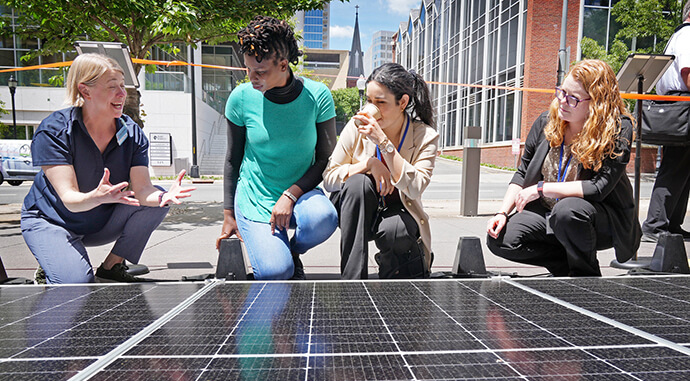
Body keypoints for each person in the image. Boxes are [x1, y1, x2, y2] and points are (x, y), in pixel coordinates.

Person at [21, 53, 194, 284]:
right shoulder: (54, 131)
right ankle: (52, 262)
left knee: (156, 203)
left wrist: (164, 196)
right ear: (85, 91)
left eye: (123, 86)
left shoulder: (132, 133)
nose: (122, 94)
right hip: (53, 220)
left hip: (99, 220)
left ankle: (112, 266)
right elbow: (70, 199)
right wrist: (97, 196)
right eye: (113, 87)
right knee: (76, 283)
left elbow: (143, 191)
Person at [486, 59, 640, 277]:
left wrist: (542, 188)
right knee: (500, 239)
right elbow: (522, 172)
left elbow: (599, 187)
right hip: (549, 214)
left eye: (573, 98)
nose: (563, 102)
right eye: (561, 92)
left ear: (597, 103)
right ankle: (566, 267)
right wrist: (502, 212)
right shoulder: (546, 122)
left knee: (567, 211)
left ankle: (585, 276)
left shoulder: (618, 129)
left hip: (596, 218)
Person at [216, 16, 338, 280]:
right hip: (256, 199)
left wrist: (291, 195)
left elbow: (326, 159)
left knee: (324, 218)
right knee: (276, 272)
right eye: (248, 70)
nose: (252, 78)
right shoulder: (240, 98)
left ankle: (292, 251)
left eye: (260, 72)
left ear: (283, 65)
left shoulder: (318, 96)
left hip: (300, 195)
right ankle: (281, 259)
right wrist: (228, 214)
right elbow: (232, 160)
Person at [323, 63, 439, 279]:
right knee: (358, 183)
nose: (372, 108)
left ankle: (391, 275)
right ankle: (352, 280)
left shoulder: (424, 136)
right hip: (357, 209)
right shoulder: (356, 127)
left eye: (380, 102)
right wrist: (368, 164)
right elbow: (329, 179)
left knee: (398, 230)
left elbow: (414, 189)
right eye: (369, 101)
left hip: (395, 210)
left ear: (403, 102)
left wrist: (383, 143)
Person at [641, 0, 690, 242]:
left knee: (682, 169)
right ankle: (656, 225)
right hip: (683, 106)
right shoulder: (688, 36)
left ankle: (671, 224)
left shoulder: (679, 36)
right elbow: (688, 75)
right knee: (675, 167)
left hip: (678, 107)